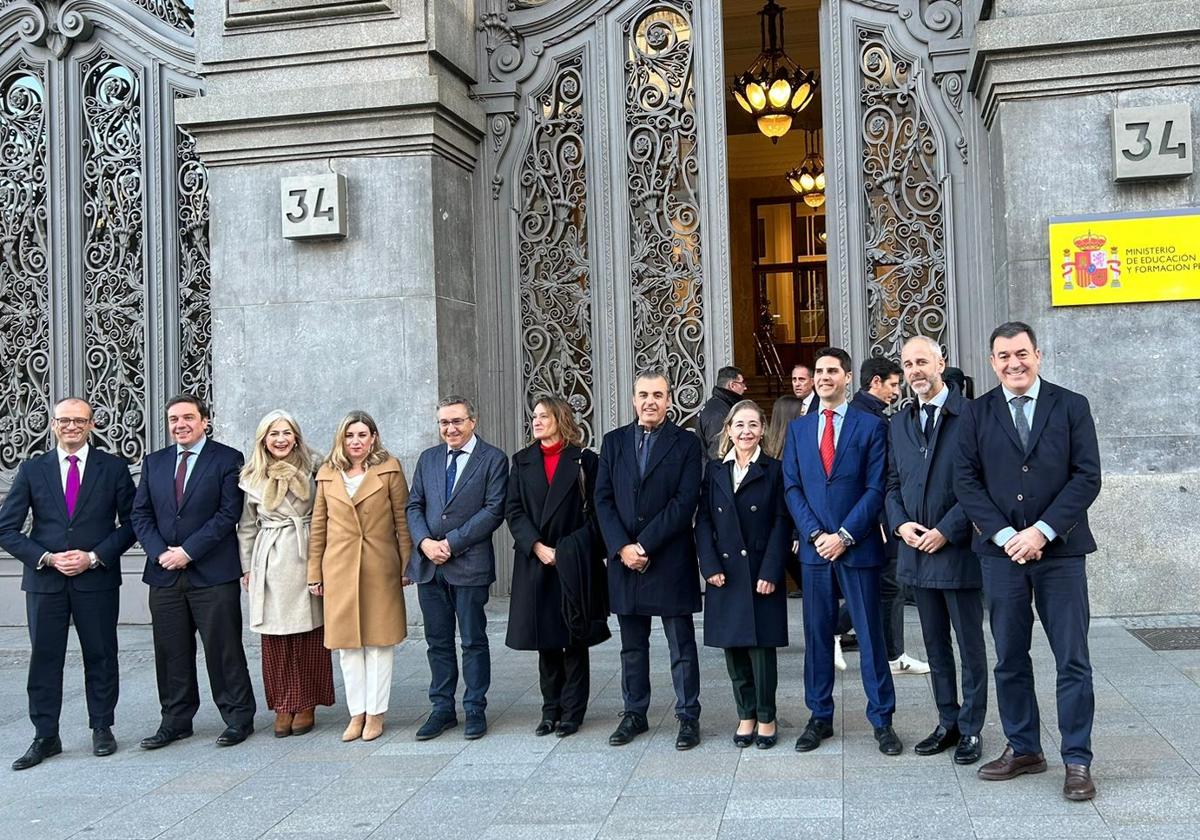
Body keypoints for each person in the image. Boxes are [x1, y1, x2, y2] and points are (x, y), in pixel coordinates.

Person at [955, 321, 1102, 801]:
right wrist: (1004, 536)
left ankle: (1077, 759)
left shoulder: (1071, 405)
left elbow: (1086, 477)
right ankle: (1024, 748)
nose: (1013, 363)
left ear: (1037, 354)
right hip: (1000, 557)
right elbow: (966, 482)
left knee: (1072, 660)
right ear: (992, 361)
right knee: (1009, 658)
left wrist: (1040, 531)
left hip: (1061, 553)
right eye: (1003, 356)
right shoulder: (975, 414)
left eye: (1021, 353)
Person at [0, 398, 136, 770]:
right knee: (45, 659)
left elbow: (132, 522)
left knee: (101, 655)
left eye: (79, 420)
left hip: (97, 579)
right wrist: (46, 557)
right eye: (64, 420)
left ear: (92, 424)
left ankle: (102, 727)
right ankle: (46, 736)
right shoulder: (32, 469)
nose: (71, 426)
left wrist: (93, 556)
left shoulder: (113, 468)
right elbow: (6, 529)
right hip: (46, 581)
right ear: (53, 424)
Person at [782, 347, 902, 756]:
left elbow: (875, 488)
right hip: (816, 552)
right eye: (818, 371)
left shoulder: (871, 426)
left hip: (858, 547)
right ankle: (819, 717)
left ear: (848, 377)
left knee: (870, 636)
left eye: (832, 370)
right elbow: (792, 487)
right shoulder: (798, 431)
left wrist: (846, 534)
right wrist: (816, 534)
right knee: (817, 637)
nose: (824, 377)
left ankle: (882, 720)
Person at [132, 394, 256, 749]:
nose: (180, 424)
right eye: (173, 419)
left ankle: (237, 717)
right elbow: (140, 515)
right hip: (164, 574)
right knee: (170, 651)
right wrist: (161, 554)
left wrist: (187, 552)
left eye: (188, 417)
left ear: (205, 420)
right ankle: (175, 720)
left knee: (223, 648)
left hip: (212, 573)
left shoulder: (228, 459)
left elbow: (227, 514)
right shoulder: (154, 463)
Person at [886, 337, 987, 765]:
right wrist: (900, 524)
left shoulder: (973, 416)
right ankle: (947, 721)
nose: (915, 371)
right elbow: (891, 484)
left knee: (969, 644)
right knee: (934, 644)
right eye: (908, 365)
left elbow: (983, 485)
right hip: (916, 555)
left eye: (922, 362)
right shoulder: (900, 423)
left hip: (958, 552)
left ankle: (972, 727)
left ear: (941, 363)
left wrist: (947, 530)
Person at [595, 369, 705, 750]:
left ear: (669, 400)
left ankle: (688, 715)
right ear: (633, 399)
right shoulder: (613, 443)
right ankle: (634, 713)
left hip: (668, 558)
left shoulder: (687, 445)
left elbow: (684, 502)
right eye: (643, 395)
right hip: (624, 560)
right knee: (631, 646)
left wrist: (644, 546)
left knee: (681, 645)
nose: (650, 402)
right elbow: (602, 500)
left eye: (658, 395)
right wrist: (622, 548)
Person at [504, 396, 609, 738]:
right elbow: (514, 510)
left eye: (544, 416)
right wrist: (536, 546)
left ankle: (573, 711)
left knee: (574, 638)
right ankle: (550, 710)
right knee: (545, 640)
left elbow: (598, 511)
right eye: (534, 416)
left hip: (573, 560)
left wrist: (567, 550)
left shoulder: (584, 461)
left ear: (561, 418)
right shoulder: (521, 462)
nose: (536, 421)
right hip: (537, 562)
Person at [407, 396, 509, 741]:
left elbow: (494, 510)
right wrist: (424, 543)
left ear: (472, 422)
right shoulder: (428, 458)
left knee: (472, 640)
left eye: (456, 421)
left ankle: (475, 708)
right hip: (429, 566)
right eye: (444, 423)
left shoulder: (493, 459)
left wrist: (451, 543)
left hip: (468, 564)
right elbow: (414, 505)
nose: (450, 429)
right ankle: (442, 709)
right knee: (437, 641)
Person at [307, 411, 411, 742]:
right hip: (338, 567)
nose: (356, 442)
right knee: (347, 645)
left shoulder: (390, 469)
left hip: (380, 565)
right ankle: (357, 713)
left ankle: (376, 713)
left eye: (363, 435)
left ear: (374, 438)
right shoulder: (327, 473)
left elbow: (402, 520)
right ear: (342, 438)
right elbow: (318, 526)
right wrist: (314, 572)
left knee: (379, 642)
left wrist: (407, 565)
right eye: (350, 435)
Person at [695, 400, 791, 750]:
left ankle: (766, 716)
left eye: (753, 425)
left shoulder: (775, 470)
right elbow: (703, 520)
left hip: (759, 570)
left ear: (763, 430)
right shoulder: (715, 471)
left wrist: (771, 569)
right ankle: (745, 713)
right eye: (739, 425)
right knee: (733, 647)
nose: (746, 431)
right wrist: (709, 565)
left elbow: (783, 522)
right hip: (725, 572)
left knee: (762, 649)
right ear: (729, 430)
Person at [237, 410, 334, 738]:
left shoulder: (316, 466)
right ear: (263, 438)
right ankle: (282, 705)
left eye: (286, 433)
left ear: (296, 436)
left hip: (305, 549)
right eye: (273, 433)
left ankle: (306, 703)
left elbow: (324, 515)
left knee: (309, 635)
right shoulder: (251, 475)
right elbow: (247, 527)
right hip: (271, 557)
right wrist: (247, 567)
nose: (280, 439)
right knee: (275, 638)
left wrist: (322, 562)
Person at [850, 355, 930, 677]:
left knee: (879, 585)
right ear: (876, 383)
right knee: (890, 586)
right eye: (894, 384)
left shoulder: (859, 414)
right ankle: (893, 656)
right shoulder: (874, 421)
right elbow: (882, 473)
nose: (897, 391)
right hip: (879, 516)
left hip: (868, 516)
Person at [763, 395, 806, 600]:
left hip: (788, 530)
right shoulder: (790, 452)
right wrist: (796, 533)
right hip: (793, 531)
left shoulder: (771, 452)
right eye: (804, 412)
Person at [695, 366, 747, 457]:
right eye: (742, 383)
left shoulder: (716, 405)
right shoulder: (719, 413)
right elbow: (718, 453)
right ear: (732, 385)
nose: (745, 388)